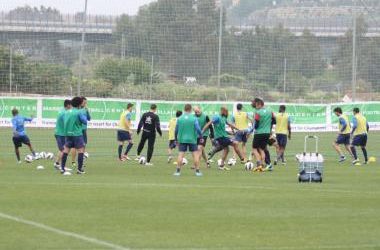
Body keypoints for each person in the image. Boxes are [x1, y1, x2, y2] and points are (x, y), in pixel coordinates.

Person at [202, 106, 245, 171]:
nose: (227, 113)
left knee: (226, 149)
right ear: (222, 111)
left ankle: (221, 165)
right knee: (235, 143)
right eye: (226, 112)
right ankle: (242, 159)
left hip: (223, 136)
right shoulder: (217, 117)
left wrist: (238, 129)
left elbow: (230, 124)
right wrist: (202, 132)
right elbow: (208, 124)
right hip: (220, 137)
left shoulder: (224, 118)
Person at [60, 97, 88, 174]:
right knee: (81, 150)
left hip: (68, 134)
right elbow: (85, 121)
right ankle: (79, 169)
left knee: (66, 150)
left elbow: (64, 122)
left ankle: (62, 168)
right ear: (79, 104)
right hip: (77, 134)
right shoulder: (79, 112)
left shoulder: (67, 112)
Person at [174, 104, 203, 177]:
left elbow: (176, 129)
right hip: (192, 139)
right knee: (195, 155)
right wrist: (201, 137)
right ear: (190, 109)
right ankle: (197, 171)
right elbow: (198, 128)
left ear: (184, 109)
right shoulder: (194, 118)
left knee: (181, 154)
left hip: (182, 139)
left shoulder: (180, 118)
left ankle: (178, 171)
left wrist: (175, 139)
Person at [250, 98, 276, 172]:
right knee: (262, 149)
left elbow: (257, 124)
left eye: (257, 105)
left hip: (259, 133)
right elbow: (274, 121)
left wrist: (252, 129)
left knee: (254, 149)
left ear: (260, 105)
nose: (256, 106)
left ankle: (259, 165)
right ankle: (263, 164)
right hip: (267, 133)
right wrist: (268, 126)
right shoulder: (270, 112)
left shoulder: (258, 112)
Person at [71, 97, 91, 168]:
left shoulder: (84, 110)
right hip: (78, 130)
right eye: (84, 102)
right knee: (74, 146)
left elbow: (89, 118)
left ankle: (81, 162)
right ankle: (73, 161)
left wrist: (87, 111)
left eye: (86, 102)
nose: (85, 104)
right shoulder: (78, 111)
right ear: (80, 102)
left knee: (83, 146)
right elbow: (85, 121)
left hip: (83, 130)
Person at [54, 99, 72, 170]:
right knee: (64, 150)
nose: (71, 107)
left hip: (58, 133)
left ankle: (57, 164)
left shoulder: (61, 111)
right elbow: (66, 124)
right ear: (68, 105)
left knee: (62, 149)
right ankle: (62, 166)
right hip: (61, 134)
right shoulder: (65, 113)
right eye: (71, 105)